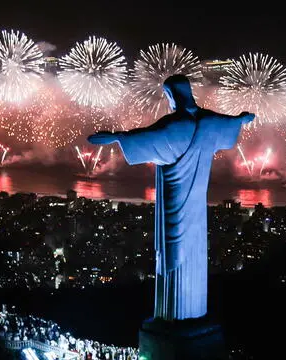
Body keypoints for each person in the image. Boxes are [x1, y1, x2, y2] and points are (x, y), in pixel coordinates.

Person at [88, 74, 254, 320]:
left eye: (167, 95)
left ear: (172, 95)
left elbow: (147, 139)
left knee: (173, 254)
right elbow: (230, 123)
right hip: (198, 207)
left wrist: (117, 137)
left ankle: (175, 318)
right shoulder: (209, 122)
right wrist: (242, 119)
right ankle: (194, 314)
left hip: (175, 201)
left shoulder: (177, 126)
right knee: (194, 253)